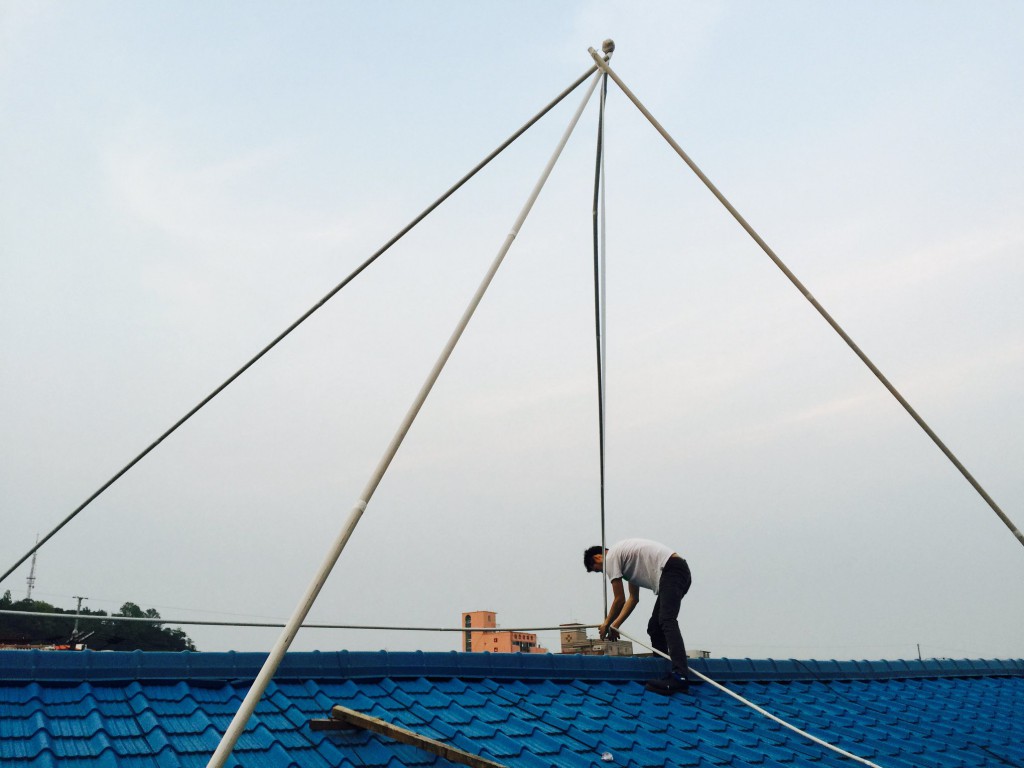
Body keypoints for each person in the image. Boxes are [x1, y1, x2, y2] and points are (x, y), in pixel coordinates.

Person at [584, 538, 693, 694]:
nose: (603, 573)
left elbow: (619, 599)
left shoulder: (611, 557)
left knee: (667, 620)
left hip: (672, 571)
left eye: (598, 570)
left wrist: (606, 623)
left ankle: (680, 675)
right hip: (676, 571)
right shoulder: (627, 563)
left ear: (598, 557)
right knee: (654, 627)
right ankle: (662, 666)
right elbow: (633, 599)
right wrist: (615, 625)